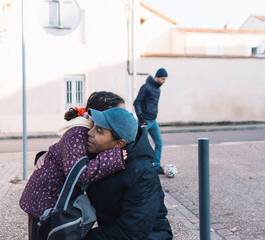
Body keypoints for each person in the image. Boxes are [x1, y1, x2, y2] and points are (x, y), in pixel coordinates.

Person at [19, 91, 138, 240]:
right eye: (118, 111)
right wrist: (111, 159)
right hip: (44, 198)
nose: (123, 116)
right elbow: (77, 174)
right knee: (43, 233)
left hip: (56, 197)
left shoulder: (91, 132)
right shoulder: (80, 132)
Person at [84, 125, 173, 240]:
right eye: (93, 126)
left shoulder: (142, 173)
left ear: (119, 144)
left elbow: (132, 230)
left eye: (99, 132)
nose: (89, 133)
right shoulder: (100, 163)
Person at [133, 67, 168, 174]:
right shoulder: (146, 87)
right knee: (142, 145)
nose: (164, 81)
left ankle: (156, 166)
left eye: (165, 79)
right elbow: (137, 102)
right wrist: (141, 117)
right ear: (157, 77)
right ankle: (142, 167)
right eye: (162, 79)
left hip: (153, 121)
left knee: (159, 143)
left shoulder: (158, 89)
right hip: (145, 121)